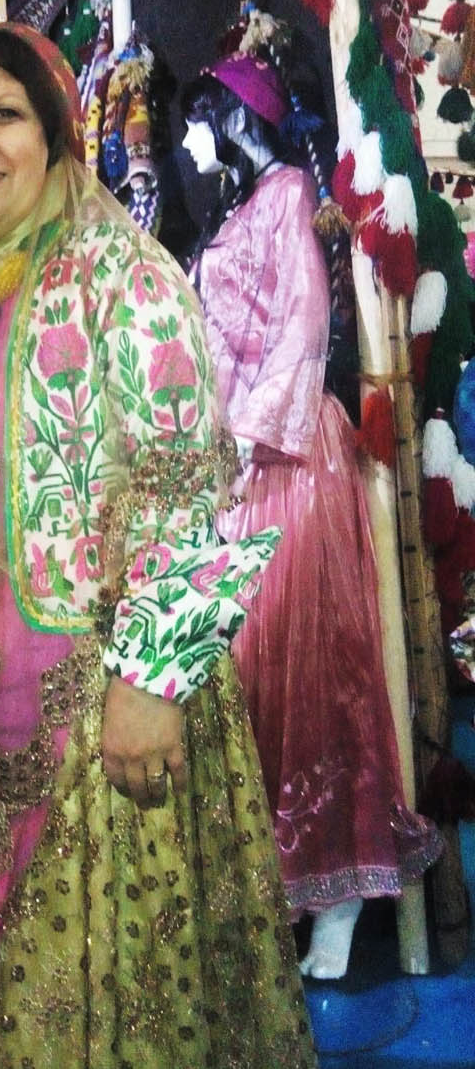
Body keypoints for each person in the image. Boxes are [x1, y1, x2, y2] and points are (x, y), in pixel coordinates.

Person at [0, 19, 325, 1069]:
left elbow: (192, 482)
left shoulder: (119, 273)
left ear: (54, 134)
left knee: (100, 1037)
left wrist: (151, 683)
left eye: (3, 114)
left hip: (101, 722)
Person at [180, 53, 442, 978]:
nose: (185, 141)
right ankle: (287, 890)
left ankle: (334, 899)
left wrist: (245, 438)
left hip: (285, 458)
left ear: (233, 118)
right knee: (255, 680)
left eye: (197, 118)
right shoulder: (246, 206)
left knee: (306, 678)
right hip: (242, 461)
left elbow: (301, 326)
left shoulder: (288, 194)